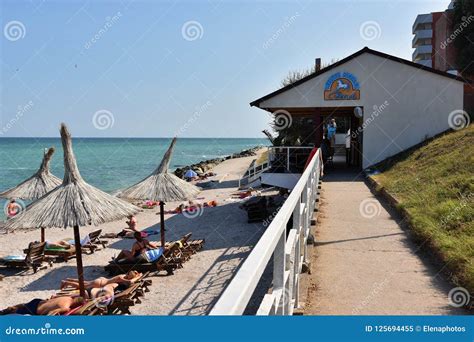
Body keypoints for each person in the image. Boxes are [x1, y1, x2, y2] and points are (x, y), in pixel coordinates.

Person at [0, 296, 84, 315]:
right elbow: (51, 313)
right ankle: (9, 311)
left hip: (38, 301)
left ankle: (11, 307)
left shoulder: (67, 297)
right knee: (15, 312)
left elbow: (52, 297)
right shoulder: (66, 307)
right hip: (35, 309)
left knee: (24, 305)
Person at [60, 271, 142, 290]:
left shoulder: (123, 275)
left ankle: (69, 280)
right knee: (82, 287)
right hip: (100, 284)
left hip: (102, 280)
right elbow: (130, 282)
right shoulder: (122, 278)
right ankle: (66, 282)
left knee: (85, 282)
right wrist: (137, 277)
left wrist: (137, 275)